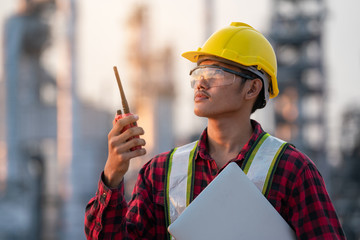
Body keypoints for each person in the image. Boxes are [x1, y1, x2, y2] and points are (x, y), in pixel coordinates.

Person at [84, 22, 345, 239]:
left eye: (215, 72)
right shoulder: (159, 173)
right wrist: (113, 173)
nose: (201, 82)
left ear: (252, 89)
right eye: (199, 72)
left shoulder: (292, 171)